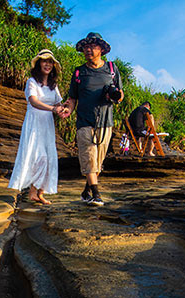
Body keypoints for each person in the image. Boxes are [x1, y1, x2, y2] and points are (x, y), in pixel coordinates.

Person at [57, 32, 123, 206]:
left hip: (106, 122)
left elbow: (120, 94)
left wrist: (115, 96)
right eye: (86, 47)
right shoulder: (79, 72)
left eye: (92, 46)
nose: (88, 50)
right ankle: (96, 194)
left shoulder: (111, 69)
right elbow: (72, 98)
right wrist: (68, 109)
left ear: (101, 49)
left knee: (97, 162)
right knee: (88, 157)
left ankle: (86, 190)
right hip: (84, 122)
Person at [8, 49, 64, 204]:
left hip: (47, 124)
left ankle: (39, 192)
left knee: (48, 157)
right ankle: (33, 192)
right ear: (39, 63)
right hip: (34, 122)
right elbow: (33, 101)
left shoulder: (53, 85)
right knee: (38, 156)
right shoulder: (31, 81)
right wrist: (52, 109)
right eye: (44, 61)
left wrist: (62, 109)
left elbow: (58, 103)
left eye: (50, 62)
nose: (47, 64)